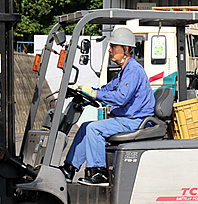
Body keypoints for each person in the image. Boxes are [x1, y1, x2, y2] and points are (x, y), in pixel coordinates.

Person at [60, 27, 155, 186]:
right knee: (85, 127)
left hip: (136, 121)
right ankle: (69, 168)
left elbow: (121, 98)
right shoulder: (123, 71)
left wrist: (95, 94)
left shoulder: (133, 70)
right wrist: (86, 91)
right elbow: (107, 90)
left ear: (125, 49)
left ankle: (99, 172)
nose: (109, 50)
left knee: (94, 129)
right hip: (127, 119)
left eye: (113, 47)